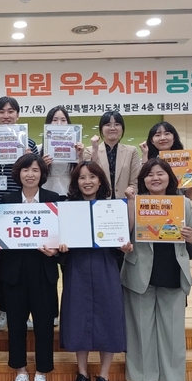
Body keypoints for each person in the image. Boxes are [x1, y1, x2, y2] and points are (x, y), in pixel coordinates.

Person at [121, 158, 192, 381]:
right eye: (149, 174)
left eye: (160, 173)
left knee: (172, 329)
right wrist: (131, 202)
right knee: (141, 327)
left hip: (172, 270)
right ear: (143, 180)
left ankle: (171, 379)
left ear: (169, 177)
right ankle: (144, 377)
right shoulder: (136, 202)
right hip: (140, 271)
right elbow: (125, 231)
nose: (155, 178)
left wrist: (190, 234)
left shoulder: (183, 203)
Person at [58, 161, 131, 381]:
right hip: (77, 268)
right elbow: (59, 246)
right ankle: (82, 375)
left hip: (105, 267)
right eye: (82, 177)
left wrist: (123, 246)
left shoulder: (112, 208)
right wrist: (61, 246)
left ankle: (104, 377)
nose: (87, 181)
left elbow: (121, 243)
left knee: (108, 317)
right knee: (78, 317)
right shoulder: (67, 208)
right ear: (76, 182)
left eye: (92, 177)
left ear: (100, 181)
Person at [0, 154, 60, 381]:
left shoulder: (53, 199)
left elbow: (64, 237)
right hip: (14, 272)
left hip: (43, 270)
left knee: (44, 324)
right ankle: (20, 372)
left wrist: (56, 250)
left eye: (35, 170)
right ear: (18, 174)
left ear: (42, 174)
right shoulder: (7, 200)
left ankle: (42, 373)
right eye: (25, 170)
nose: (30, 174)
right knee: (16, 324)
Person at [0, 96, 39, 331]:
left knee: (22, 261)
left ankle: (24, 312)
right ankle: (2, 309)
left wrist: (28, 156)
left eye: (11, 111)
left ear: (18, 115)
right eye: (1, 112)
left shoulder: (28, 142)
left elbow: (37, 173)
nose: (6, 116)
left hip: (20, 207)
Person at [83, 110, 141, 269]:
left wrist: (130, 193)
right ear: (101, 129)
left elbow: (135, 181)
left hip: (124, 209)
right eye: (108, 124)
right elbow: (88, 177)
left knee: (122, 253)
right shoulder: (89, 150)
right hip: (98, 207)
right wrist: (95, 150)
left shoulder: (131, 151)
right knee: (101, 254)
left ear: (122, 128)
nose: (112, 128)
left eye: (117, 124)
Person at [139, 121, 192, 200]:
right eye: (158, 135)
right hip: (151, 204)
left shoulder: (186, 161)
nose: (163, 138)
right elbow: (141, 185)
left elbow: (188, 197)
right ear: (152, 140)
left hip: (176, 204)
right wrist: (145, 154)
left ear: (174, 138)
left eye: (167, 134)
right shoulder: (145, 159)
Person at [39, 105, 84, 199]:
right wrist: (42, 165)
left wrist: (80, 156)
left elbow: (81, 173)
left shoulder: (76, 148)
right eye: (54, 120)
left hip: (70, 192)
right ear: (48, 123)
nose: (59, 123)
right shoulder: (39, 149)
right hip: (47, 192)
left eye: (63, 120)